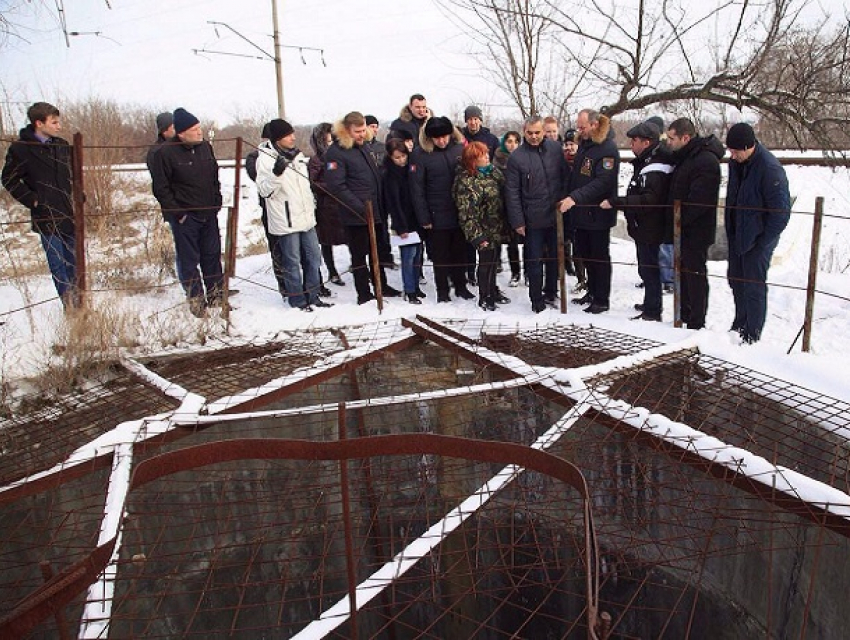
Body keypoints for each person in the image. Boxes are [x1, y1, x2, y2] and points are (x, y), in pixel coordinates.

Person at [151, 108, 226, 318]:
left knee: (211, 255)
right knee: (189, 260)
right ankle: (196, 299)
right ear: (181, 133)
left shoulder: (205, 148)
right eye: (194, 129)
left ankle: (216, 295)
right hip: (186, 217)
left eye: (199, 127)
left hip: (208, 213)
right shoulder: (165, 152)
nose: (199, 132)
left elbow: (214, 176)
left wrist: (216, 201)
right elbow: (161, 188)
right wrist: (178, 213)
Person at [2, 101, 77, 309]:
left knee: (75, 263)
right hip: (45, 215)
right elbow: (8, 179)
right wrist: (33, 200)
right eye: (54, 122)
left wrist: (77, 195)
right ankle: (70, 309)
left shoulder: (61, 146)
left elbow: (72, 175)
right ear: (38, 123)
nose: (59, 126)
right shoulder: (21, 149)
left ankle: (81, 307)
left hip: (68, 212)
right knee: (58, 265)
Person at [324, 111, 400, 305]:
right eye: (357, 131)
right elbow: (336, 186)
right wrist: (360, 208)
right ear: (346, 130)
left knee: (378, 250)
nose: (361, 134)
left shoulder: (362, 147)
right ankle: (364, 294)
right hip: (355, 214)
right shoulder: (336, 152)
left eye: (363, 129)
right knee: (360, 255)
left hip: (375, 209)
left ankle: (381, 285)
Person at [724, 122, 791, 344]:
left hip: (759, 238)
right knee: (735, 279)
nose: (732, 156)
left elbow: (780, 213)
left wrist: (763, 241)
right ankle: (740, 321)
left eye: (735, 152)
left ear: (747, 147)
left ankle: (752, 332)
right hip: (738, 234)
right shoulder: (737, 164)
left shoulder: (770, 169)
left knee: (753, 285)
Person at [255, 119, 331, 312]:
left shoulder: (297, 156)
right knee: (292, 262)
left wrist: (312, 205)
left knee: (314, 258)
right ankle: (297, 301)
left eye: (292, 133)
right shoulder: (265, 159)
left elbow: (304, 186)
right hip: (286, 220)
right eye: (288, 135)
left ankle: (313, 296)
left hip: (306, 218)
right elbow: (265, 191)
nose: (293, 137)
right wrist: (276, 173)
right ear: (277, 138)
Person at [601, 120, 673, 321]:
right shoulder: (647, 162)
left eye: (634, 141)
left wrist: (618, 202)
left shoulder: (656, 167)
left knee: (650, 268)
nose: (631, 144)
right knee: (646, 267)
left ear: (646, 142)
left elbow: (650, 199)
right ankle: (650, 302)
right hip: (644, 225)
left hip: (651, 225)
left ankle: (652, 310)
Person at [665, 117, 724, 330]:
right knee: (684, 272)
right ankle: (686, 312)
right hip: (683, 228)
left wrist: (680, 220)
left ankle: (696, 320)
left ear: (685, 137)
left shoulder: (705, 161)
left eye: (672, 138)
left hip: (696, 229)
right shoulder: (686, 157)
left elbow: (700, 200)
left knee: (695, 275)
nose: (669, 143)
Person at [505, 116, 567, 313]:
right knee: (534, 259)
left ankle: (551, 291)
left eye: (537, 133)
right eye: (530, 133)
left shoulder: (555, 149)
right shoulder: (517, 157)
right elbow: (512, 192)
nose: (533, 137)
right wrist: (518, 221)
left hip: (555, 214)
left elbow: (564, 176)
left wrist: (565, 202)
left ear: (544, 131)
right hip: (531, 217)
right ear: (524, 132)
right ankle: (536, 298)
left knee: (555, 258)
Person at [560, 108, 620, 314]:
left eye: (582, 127)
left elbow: (603, 182)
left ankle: (601, 298)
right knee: (586, 255)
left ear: (594, 125)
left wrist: (574, 198)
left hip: (597, 215)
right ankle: (592, 291)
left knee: (598, 257)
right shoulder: (586, 146)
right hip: (581, 215)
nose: (579, 130)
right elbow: (577, 177)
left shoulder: (607, 149)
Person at [410, 115, 474, 303]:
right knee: (440, 256)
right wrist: (424, 217)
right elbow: (416, 189)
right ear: (430, 138)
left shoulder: (459, 148)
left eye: (445, 136)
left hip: (459, 211)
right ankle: (443, 291)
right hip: (435, 213)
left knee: (460, 252)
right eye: (437, 138)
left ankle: (461, 286)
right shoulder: (420, 155)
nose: (442, 141)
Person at [453, 141, 511, 311]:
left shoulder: (493, 172)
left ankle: (493, 290)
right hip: (480, 228)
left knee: (494, 260)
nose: (487, 157)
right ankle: (484, 296)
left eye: (487, 153)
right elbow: (466, 213)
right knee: (485, 262)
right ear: (472, 160)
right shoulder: (465, 181)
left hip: (496, 226)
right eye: (482, 155)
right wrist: (477, 236)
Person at [246, 123, 289, 297]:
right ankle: (284, 285)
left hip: (291, 208)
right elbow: (260, 182)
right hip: (271, 208)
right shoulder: (255, 158)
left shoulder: (290, 154)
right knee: (278, 249)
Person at [382, 138, 425, 304]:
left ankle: (416, 286)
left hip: (416, 218)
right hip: (403, 221)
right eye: (397, 157)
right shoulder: (389, 175)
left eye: (403, 156)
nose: (401, 160)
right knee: (408, 257)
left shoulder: (411, 169)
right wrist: (400, 226)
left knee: (418, 255)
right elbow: (393, 203)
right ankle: (409, 290)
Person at [308, 122, 347, 287]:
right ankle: (332, 270)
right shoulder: (316, 160)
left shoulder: (342, 155)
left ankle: (358, 266)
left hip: (344, 203)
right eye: (328, 141)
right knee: (326, 240)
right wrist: (331, 187)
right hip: (326, 206)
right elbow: (312, 182)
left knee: (351, 236)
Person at [494, 130, 524, 288]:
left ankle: (518, 272)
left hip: (517, 206)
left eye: (515, 141)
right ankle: (500, 265)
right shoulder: (496, 160)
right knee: (498, 240)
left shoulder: (523, 159)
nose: (512, 145)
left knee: (515, 241)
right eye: (509, 141)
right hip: (499, 205)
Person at [562, 127, 586, 289]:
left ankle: (582, 278)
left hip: (579, 207)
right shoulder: (560, 161)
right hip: (563, 207)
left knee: (579, 245)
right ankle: (565, 267)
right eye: (567, 144)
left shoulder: (583, 161)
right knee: (563, 241)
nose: (570, 147)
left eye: (573, 144)